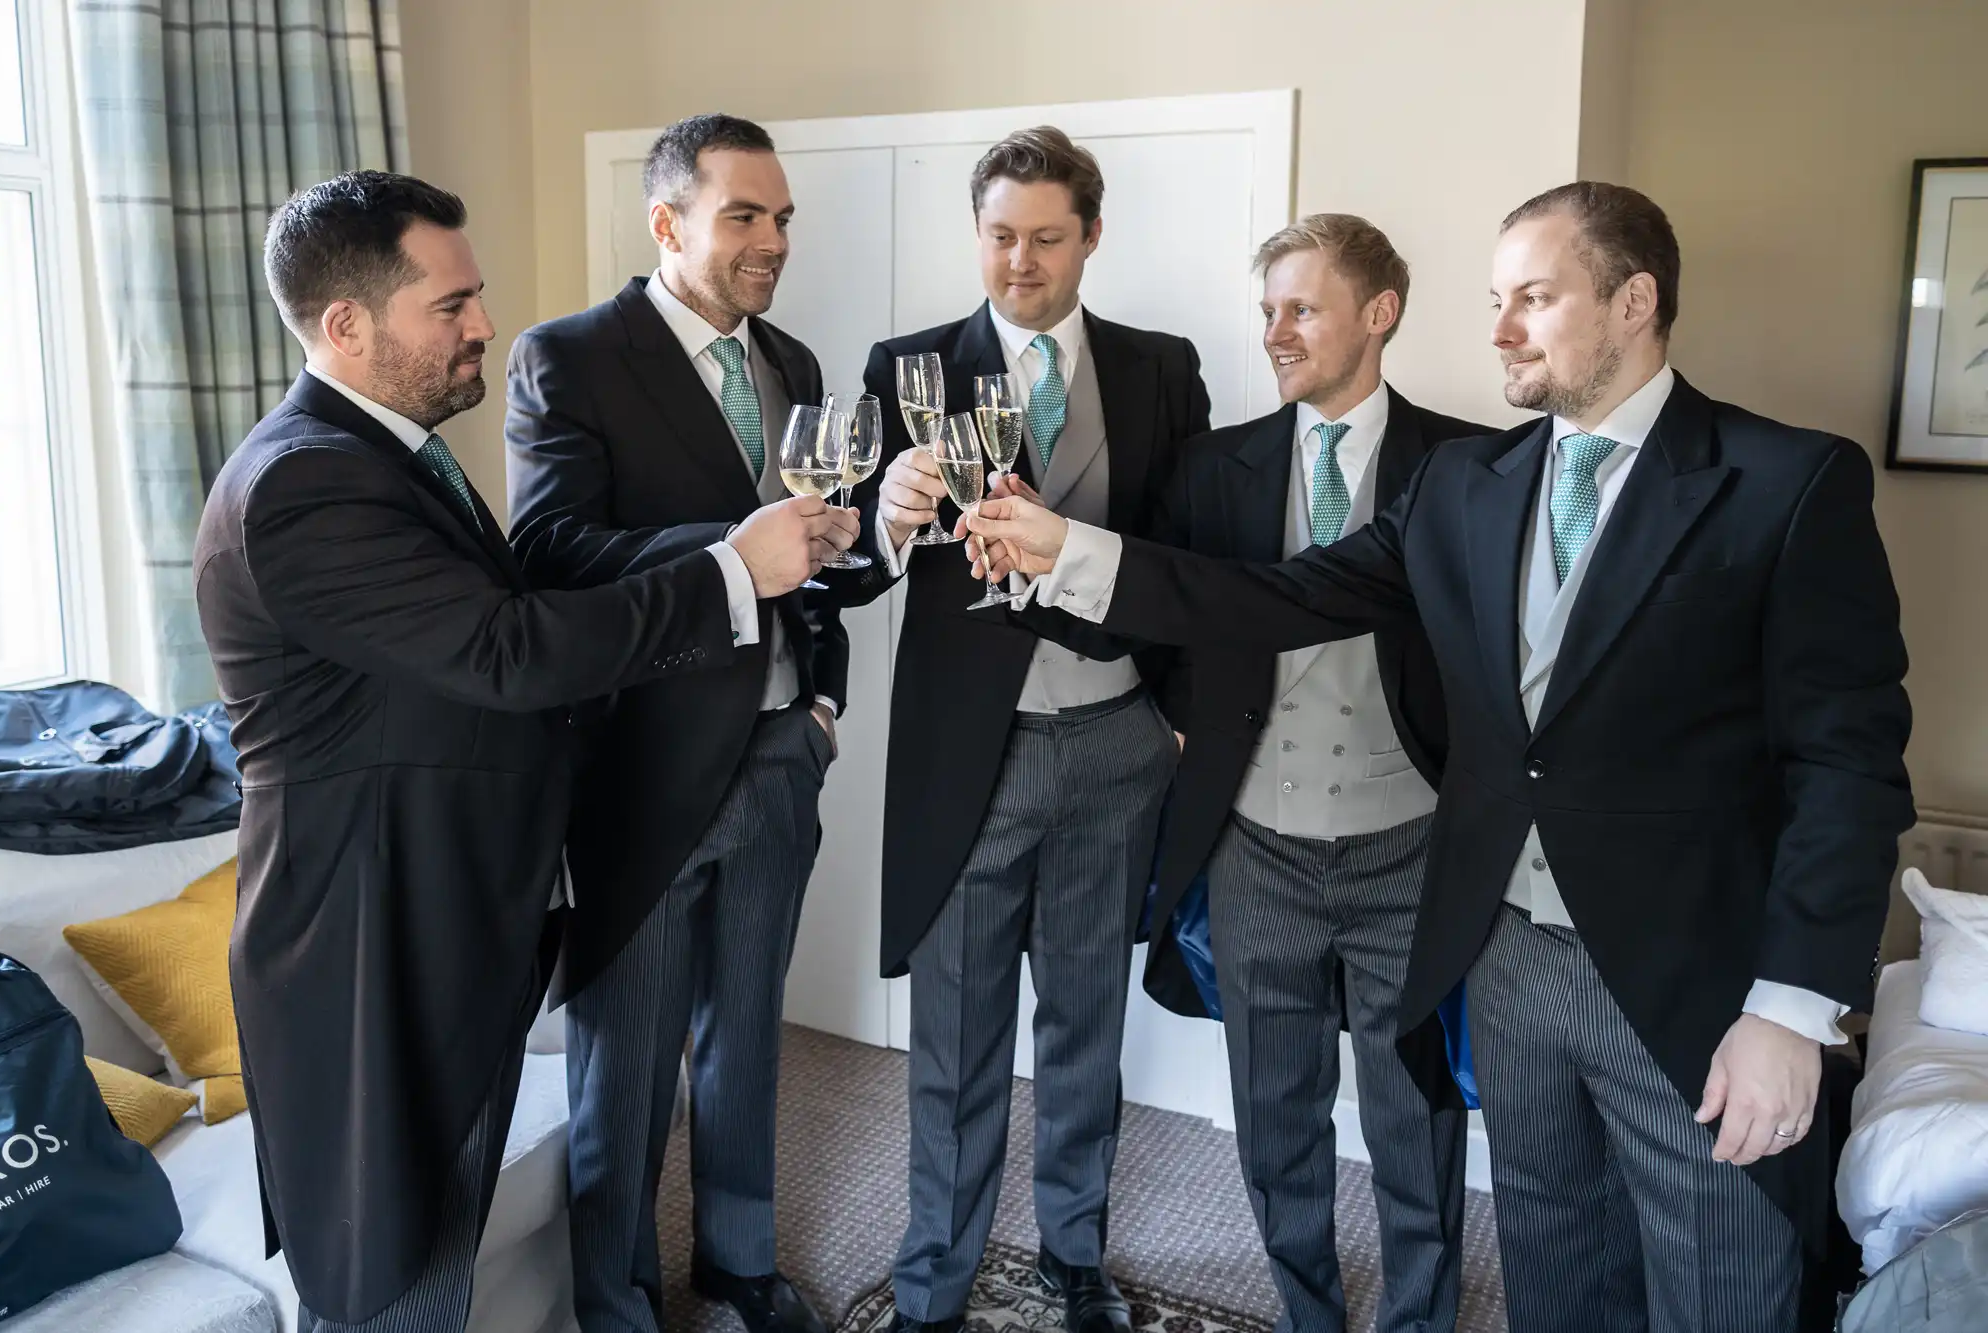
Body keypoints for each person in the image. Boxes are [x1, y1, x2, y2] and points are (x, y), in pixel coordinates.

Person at [965, 181, 1915, 1333]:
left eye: (1532, 298)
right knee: (1552, 1270)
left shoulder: (1784, 482)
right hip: (1505, 966)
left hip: (1690, 983)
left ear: (1632, 301)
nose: (1501, 328)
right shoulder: (1465, 486)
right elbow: (1273, 596)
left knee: (1718, 1286)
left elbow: (1845, 765)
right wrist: (1067, 549)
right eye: (1493, 300)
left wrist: (1793, 1004)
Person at [193, 170, 836, 1333]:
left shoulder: (384, 455)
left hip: (447, 917)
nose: (483, 324)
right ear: (346, 325)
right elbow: (506, 648)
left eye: (474, 296)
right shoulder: (303, 484)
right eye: (450, 306)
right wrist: (731, 572)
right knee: (389, 1281)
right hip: (367, 944)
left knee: (440, 1244)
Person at [504, 114, 864, 1333]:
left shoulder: (797, 364)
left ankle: (739, 1260)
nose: (771, 242)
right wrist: (726, 552)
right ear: (667, 223)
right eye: (743, 217)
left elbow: (811, 563)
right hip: (641, 767)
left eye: (781, 219)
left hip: (777, 754)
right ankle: (613, 1299)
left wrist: (826, 687)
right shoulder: (569, 356)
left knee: (747, 1028)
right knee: (629, 1059)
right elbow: (547, 554)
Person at [852, 126, 1210, 1333]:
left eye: (1045, 237)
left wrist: (1172, 721)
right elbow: (848, 568)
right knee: (952, 1039)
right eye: (999, 235)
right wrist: (885, 521)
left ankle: (1074, 1257)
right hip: (973, 754)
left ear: (1090, 237)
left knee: (1081, 1027)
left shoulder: (1162, 369)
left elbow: (1189, 560)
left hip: (1115, 744)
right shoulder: (908, 367)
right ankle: (932, 1285)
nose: (1018, 261)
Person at [1132, 214, 1484, 1333]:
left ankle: (1420, 1315)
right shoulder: (1210, 466)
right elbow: (1165, 618)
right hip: (1252, 847)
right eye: (1268, 310)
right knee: (1272, 1106)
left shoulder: (1469, 467)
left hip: (1410, 847)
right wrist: (1188, 723)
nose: (1275, 333)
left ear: (1376, 314)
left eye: (1301, 308)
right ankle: (1305, 1311)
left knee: (1409, 1108)